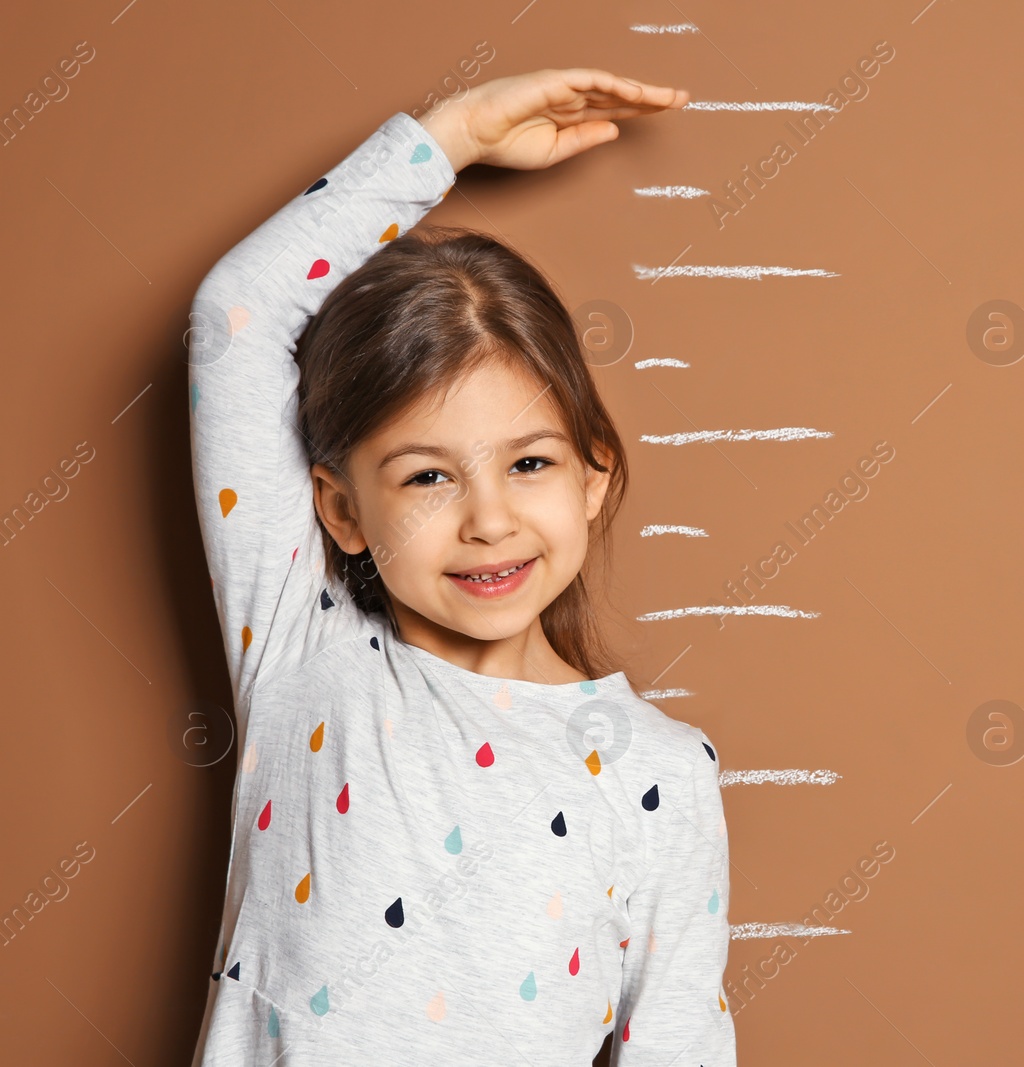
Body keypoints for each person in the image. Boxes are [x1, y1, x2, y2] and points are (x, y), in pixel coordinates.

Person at [185, 68, 735, 1065]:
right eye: (430, 476)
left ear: (593, 479)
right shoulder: (308, 661)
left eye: (529, 463)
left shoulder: (661, 774)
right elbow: (236, 316)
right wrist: (449, 139)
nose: (488, 519)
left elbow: (679, 1043)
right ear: (344, 512)